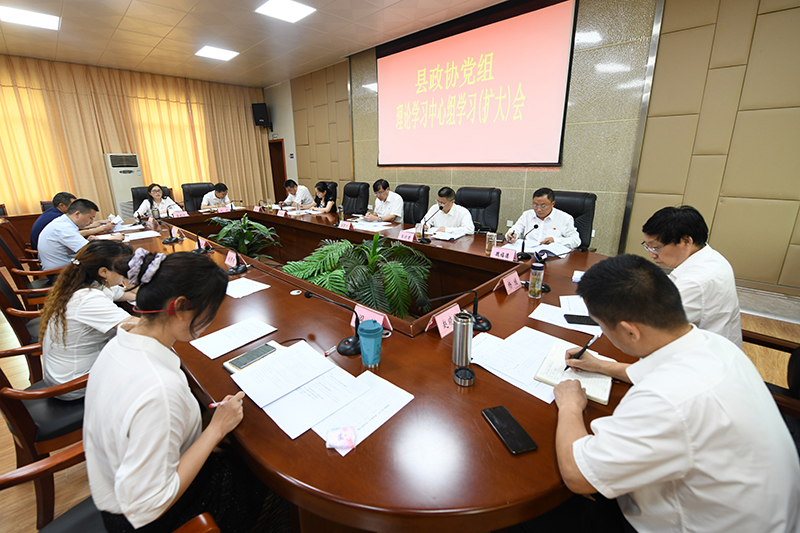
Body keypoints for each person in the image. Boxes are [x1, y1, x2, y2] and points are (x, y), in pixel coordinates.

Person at [528, 254, 799, 533]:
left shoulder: (666, 400)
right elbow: (657, 370)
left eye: (602, 326)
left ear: (630, 332)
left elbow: (579, 477)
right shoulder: (714, 344)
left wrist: (570, 405)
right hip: (760, 510)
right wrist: (604, 365)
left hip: (695, 525)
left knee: (536, 514)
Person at [84, 250, 290, 532]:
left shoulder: (121, 343)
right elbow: (148, 505)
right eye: (208, 311)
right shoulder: (159, 389)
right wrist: (215, 430)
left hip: (118, 481)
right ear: (179, 307)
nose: (208, 322)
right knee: (259, 469)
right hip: (147, 518)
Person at [39, 241, 138, 400]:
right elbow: (134, 326)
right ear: (104, 272)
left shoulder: (86, 284)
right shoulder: (87, 299)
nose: (126, 272)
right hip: (74, 385)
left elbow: (130, 294)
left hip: (65, 374)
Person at [641, 205, 742, 347]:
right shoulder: (710, 256)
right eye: (648, 246)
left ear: (686, 241)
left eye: (656, 247)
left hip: (703, 357)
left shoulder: (696, 281)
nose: (651, 254)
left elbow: (649, 325)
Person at [38, 199, 123, 271]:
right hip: (60, 273)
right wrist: (113, 239)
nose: (92, 222)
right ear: (77, 214)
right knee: (107, 262)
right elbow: (89, 250)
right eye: (90, 218)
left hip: (63, 267)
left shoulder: (63, 222)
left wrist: (88, 242)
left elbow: (82, 246)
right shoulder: (63, 227)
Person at [506, 188, 580, 248]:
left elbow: (576, 241)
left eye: (543, 206)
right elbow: (515, 229)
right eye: (535, 205)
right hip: (528, 254)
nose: (538, 209)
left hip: (552, 258)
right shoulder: (527, 215)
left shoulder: (565, 218)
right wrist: (512, 235)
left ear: (552, 204)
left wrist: (555, 240)